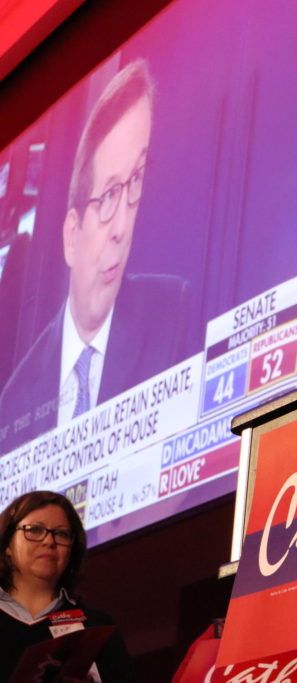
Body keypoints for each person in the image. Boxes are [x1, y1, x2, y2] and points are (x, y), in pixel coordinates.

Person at [0, 59, 189, 454]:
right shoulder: (14, 402)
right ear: (72, 235)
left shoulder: (174, 314)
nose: (121, 226)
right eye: (106, 196)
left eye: (135, 182)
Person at [0, 490, 132, 681]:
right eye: (35, 530)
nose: (49, 541)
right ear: (7, 545)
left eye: (61, 534)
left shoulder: (96, 627)